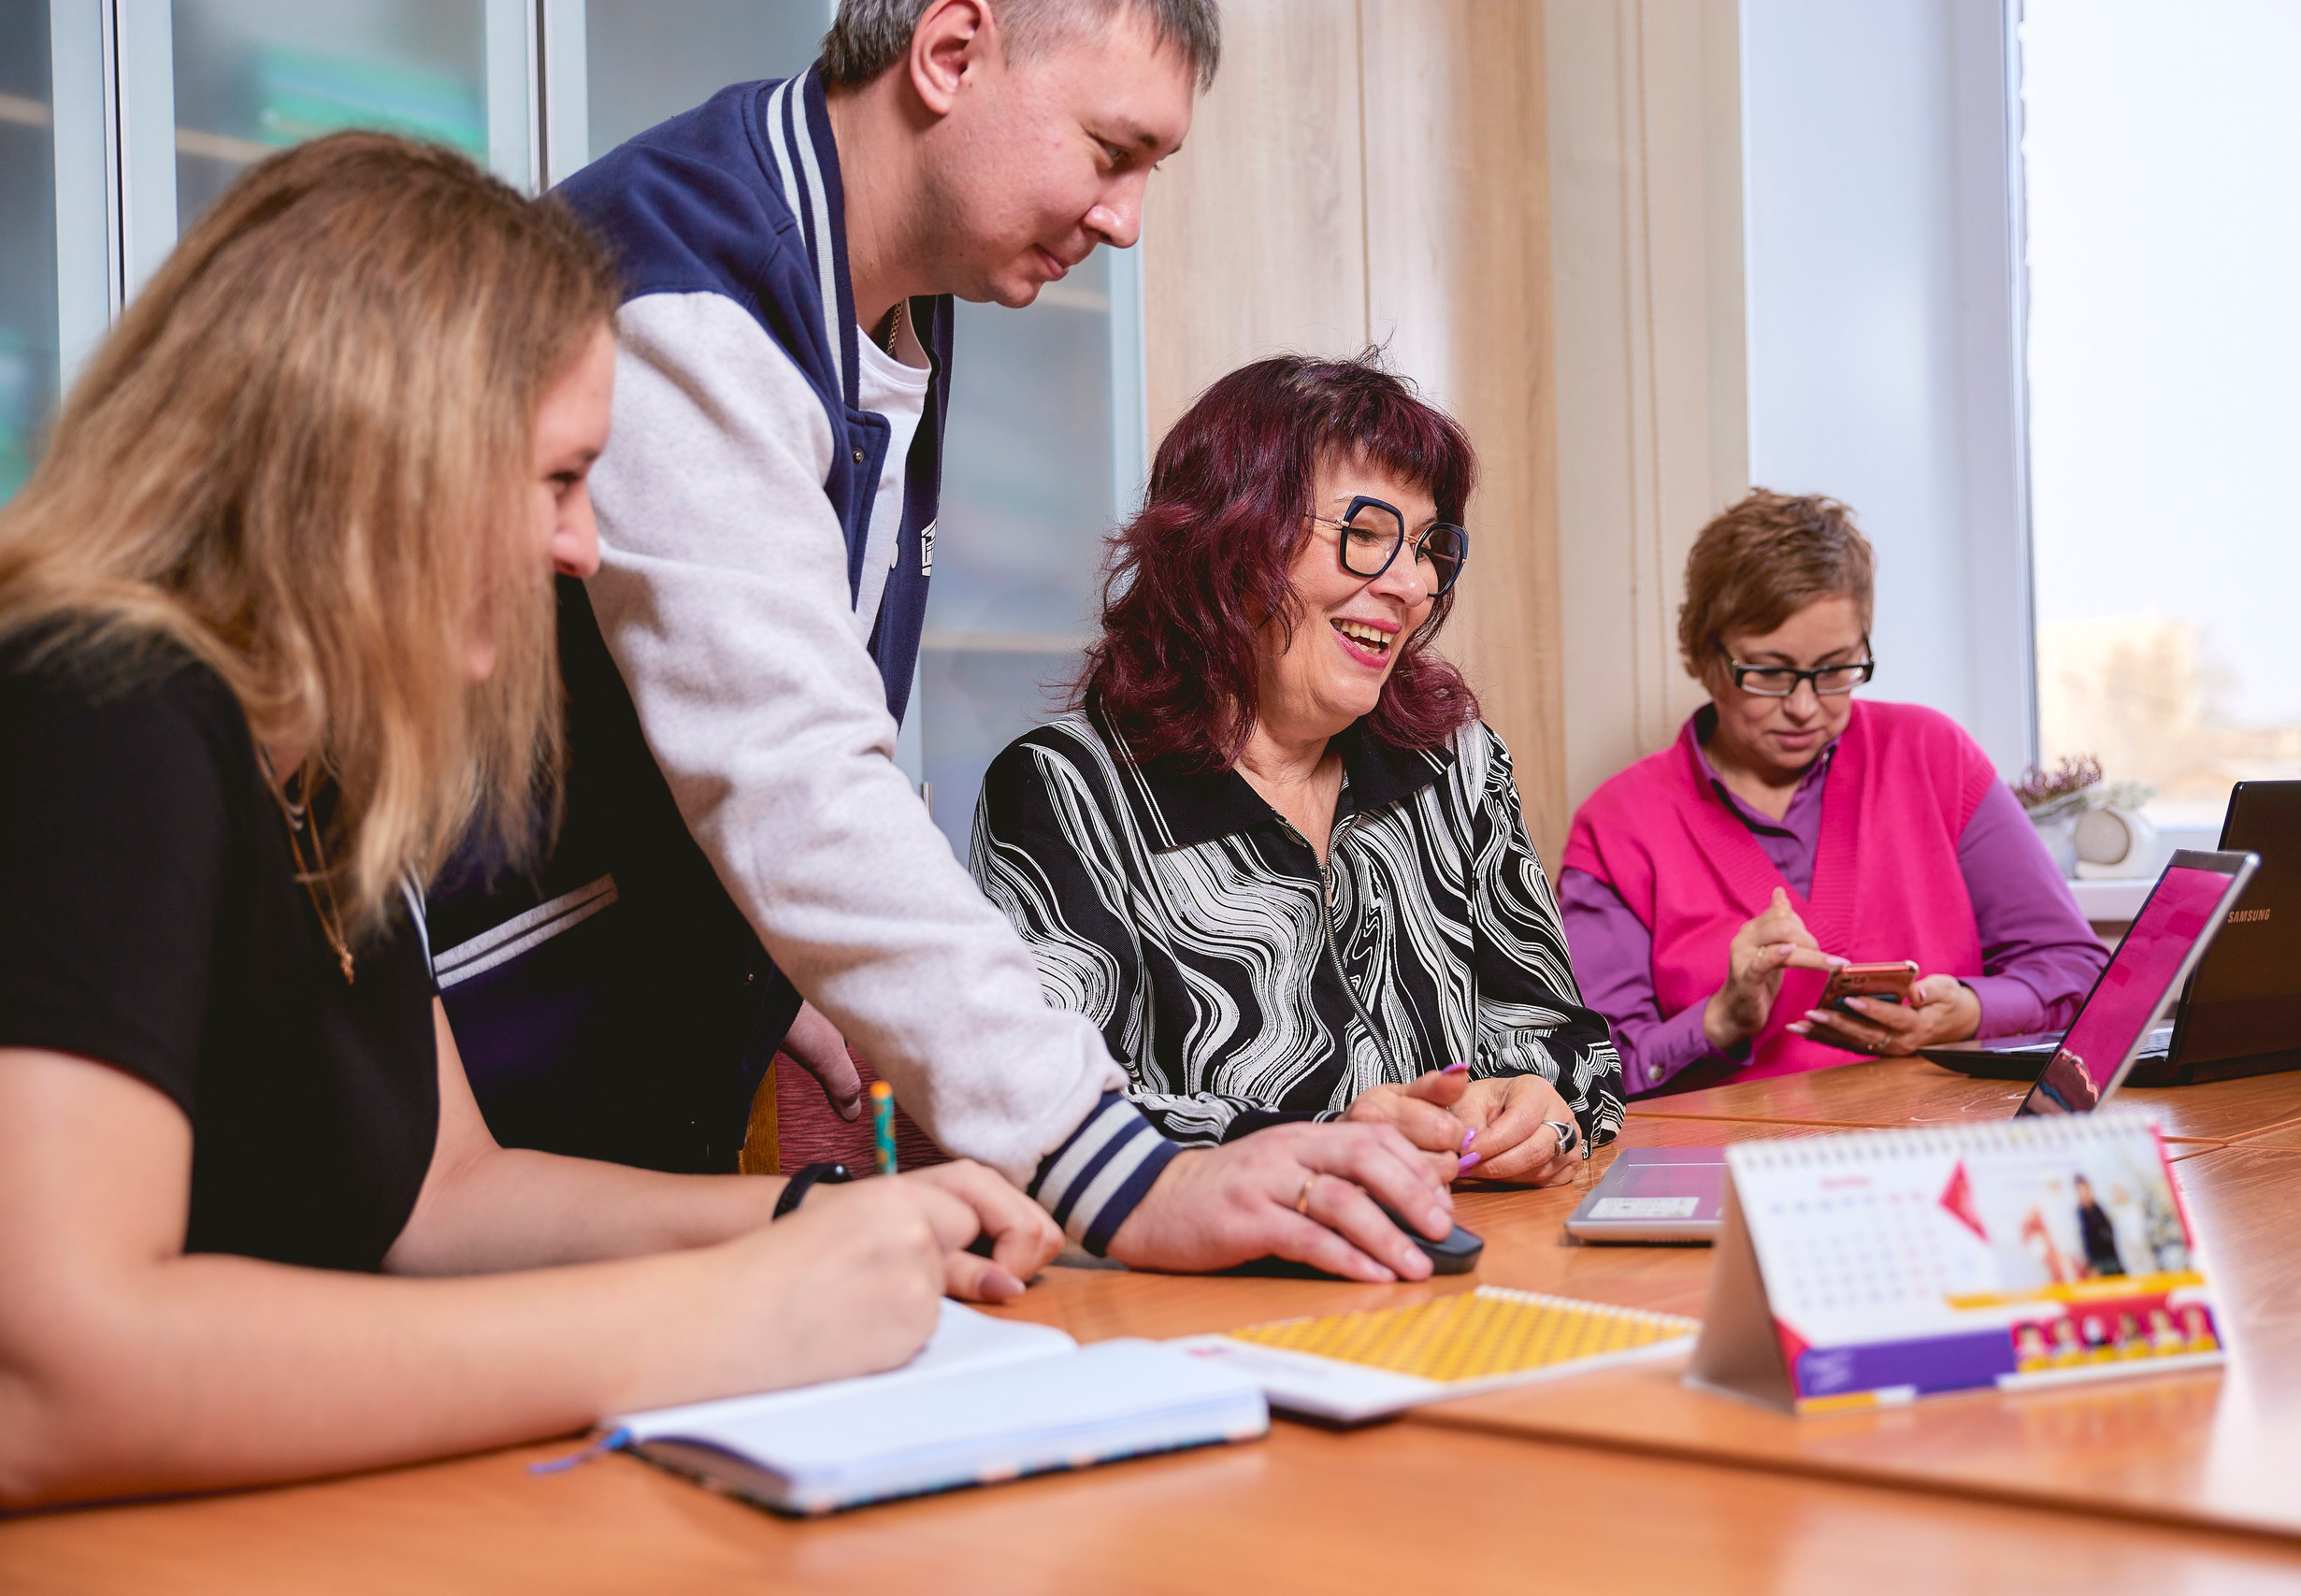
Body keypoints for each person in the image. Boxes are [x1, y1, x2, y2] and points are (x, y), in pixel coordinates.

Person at [0, 134, 1059, 1512]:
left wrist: (814, 1216)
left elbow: (442, 1197)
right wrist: (723, 1317)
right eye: (560, 480)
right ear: (381, 462)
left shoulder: (322, 768)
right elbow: (53, 1375)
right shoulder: (99, 704)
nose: (582, 549)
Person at [427, 0, 1461, 1283]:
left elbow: (730, 690)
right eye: (1111, 152)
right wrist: (1125, 1175)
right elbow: (795, 774)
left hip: (618, 1125)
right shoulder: (687, 297)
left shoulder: (901, 294)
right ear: (951, 52)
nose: (1125, 220)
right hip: (490, 1114)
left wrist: (787, 969)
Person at [971, 355, 1625, 1186]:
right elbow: (1050, 1113)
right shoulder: (1066, 791)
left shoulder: (1455, 762)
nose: (1412, 584)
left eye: (1428, 547)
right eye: (1366, 535)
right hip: (1236, 1260)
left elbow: (1571, 1048)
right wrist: (1327, 1144)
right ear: (1229, 543)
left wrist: (1544, 1109)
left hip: (1469, 1242)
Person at [1559, 491, 2107, 1095]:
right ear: (1704, 656)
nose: (1803, 707)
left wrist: (1972, 1011)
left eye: (1835, 669)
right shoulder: (1616, 827)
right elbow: (1590, 1073)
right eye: (1769, 672)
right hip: (1735, 1153)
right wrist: (1721, 1020)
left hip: (1945, 1142)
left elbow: (2077, 973)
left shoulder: (1933, 757)